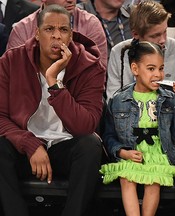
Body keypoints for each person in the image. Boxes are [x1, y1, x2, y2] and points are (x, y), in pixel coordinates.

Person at [0, 4, 105, 216]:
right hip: (25, 148)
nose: (57, 36)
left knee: (90, 145)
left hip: (65, 147)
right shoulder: (12, 61)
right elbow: (1, 116)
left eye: (63, 30)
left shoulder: (90, 67)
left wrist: (54, 83)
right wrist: (29, 144)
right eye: (49, 29)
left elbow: (86, 125)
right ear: (37, 34)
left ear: (71, 36)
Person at [101, 39, 175, 216]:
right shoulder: (118, 100)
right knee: (127, 178)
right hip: (131, 153)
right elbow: (108, 136)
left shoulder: (169, 99)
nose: (158, 74)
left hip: (159, 153)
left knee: (153, 181)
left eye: (161, 68)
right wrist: (122, 153)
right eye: (151, 69)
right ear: (135, 69)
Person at [106, 0, 175, 101]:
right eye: (155, 36)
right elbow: (112, 101)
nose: (163, 40)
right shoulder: (118, 52)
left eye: (164, 31)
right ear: (136, 34)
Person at [6, 0, 107, 68]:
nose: (70, 0)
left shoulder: (91, 24)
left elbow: (98, 71)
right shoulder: (22, 29)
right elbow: (15, 73)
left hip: (79, 94)